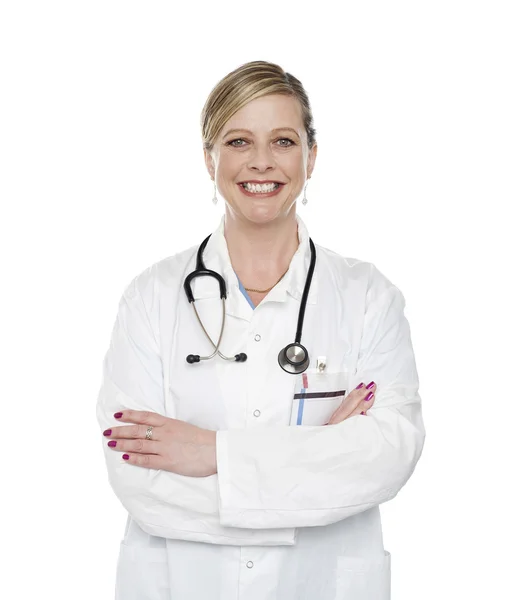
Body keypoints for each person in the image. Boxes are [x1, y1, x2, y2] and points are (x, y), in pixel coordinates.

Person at [96, 59, 426, 600]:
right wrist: (319, 456)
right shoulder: (151, 297)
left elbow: (386, 457)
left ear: (311, 157)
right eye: (239, 141)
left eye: (283, 141)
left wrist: (213, 454)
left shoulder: (367, 297)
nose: (261, 162)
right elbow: (140, 482)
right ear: (210, 158)